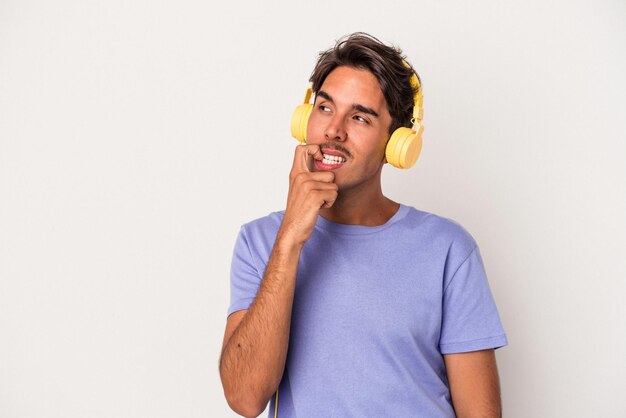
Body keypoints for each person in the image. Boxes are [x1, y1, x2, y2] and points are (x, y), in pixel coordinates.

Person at [219, 32, 507, 418]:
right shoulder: (260, 241)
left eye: (359, 117)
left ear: (397, 143)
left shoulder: (449, 249)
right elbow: (245, 398)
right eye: (324, 108)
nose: (333, 131)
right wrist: (290, 239)